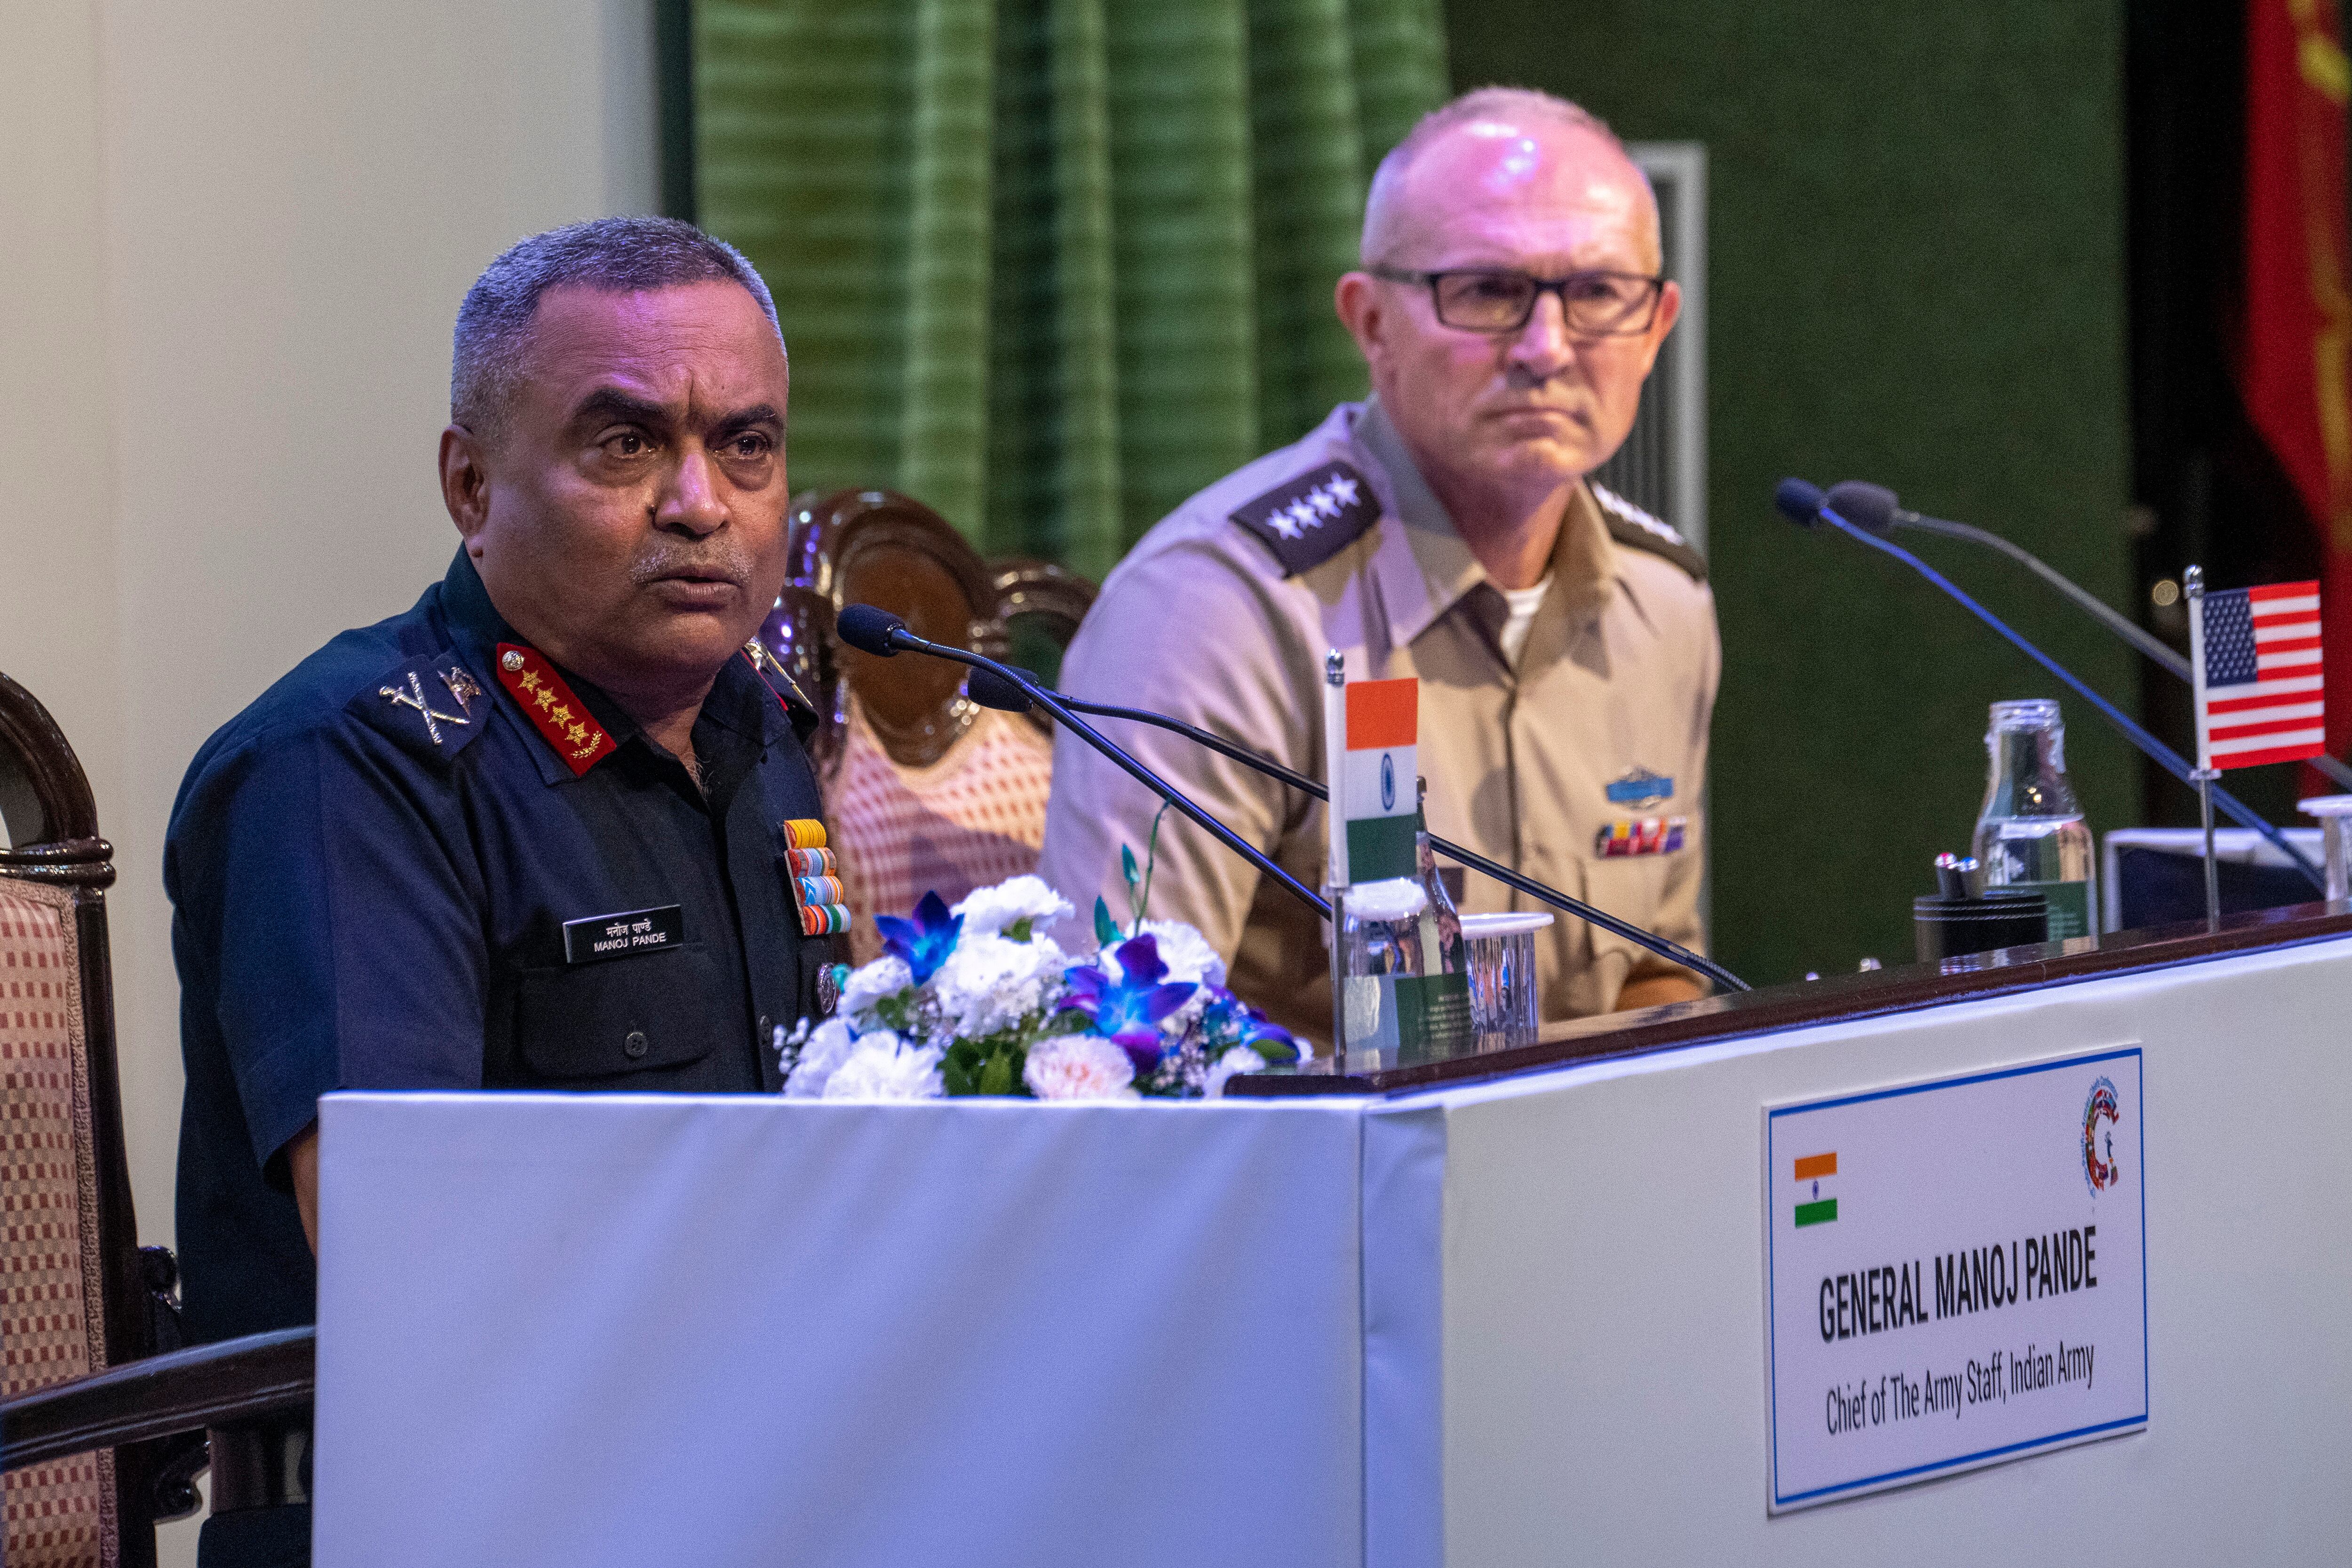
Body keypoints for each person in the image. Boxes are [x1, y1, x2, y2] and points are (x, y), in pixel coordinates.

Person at [167, 217, 829, 1565]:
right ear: (471, 486)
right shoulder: (347, 766)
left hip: (743, 1468)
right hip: (443, 1509)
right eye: (626, 442)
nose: (702, 500)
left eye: (747, 445)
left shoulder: (757, 732)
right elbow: (407, 1244)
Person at [1037, 88, 1720, 1045]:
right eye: (1485, 290)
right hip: (1319, 1180)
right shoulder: (1218, 610)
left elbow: (1657, 982)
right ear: (1369, 323)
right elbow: (1129, 1049)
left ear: (1656, 326)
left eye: (1598, 294)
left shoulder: (1665, 606)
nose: (1546, 348)